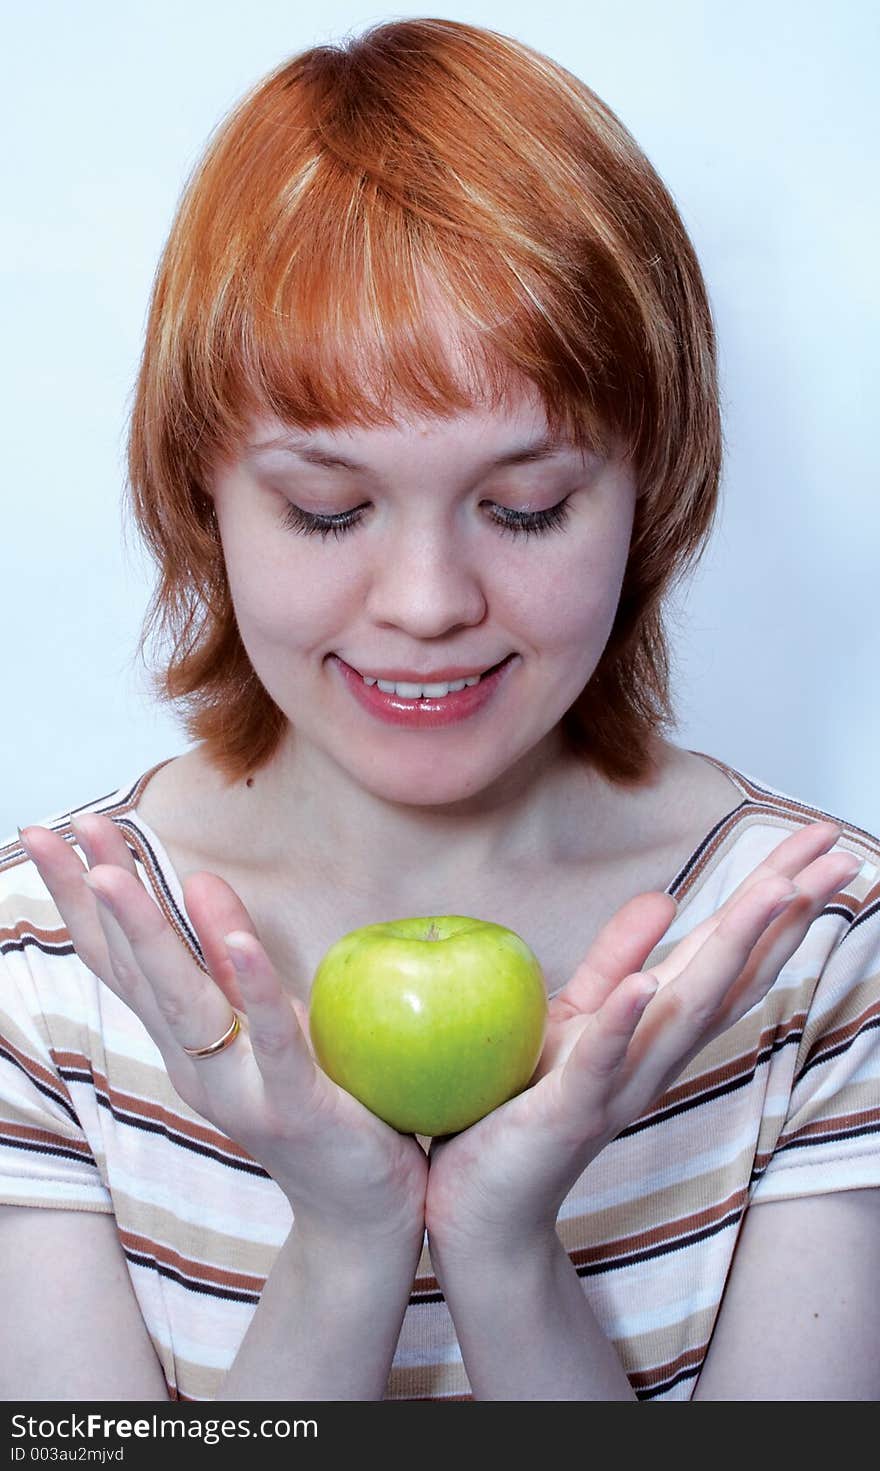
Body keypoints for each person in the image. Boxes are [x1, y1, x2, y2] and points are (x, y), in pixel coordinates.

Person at [1, 16, 877, 1403]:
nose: (425, 599)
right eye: (327, 507)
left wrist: (505, 1248)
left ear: (651, 487)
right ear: (200, 497)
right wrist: (349, 1245)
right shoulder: (49, 968)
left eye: (525, 507)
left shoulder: (812, 941)